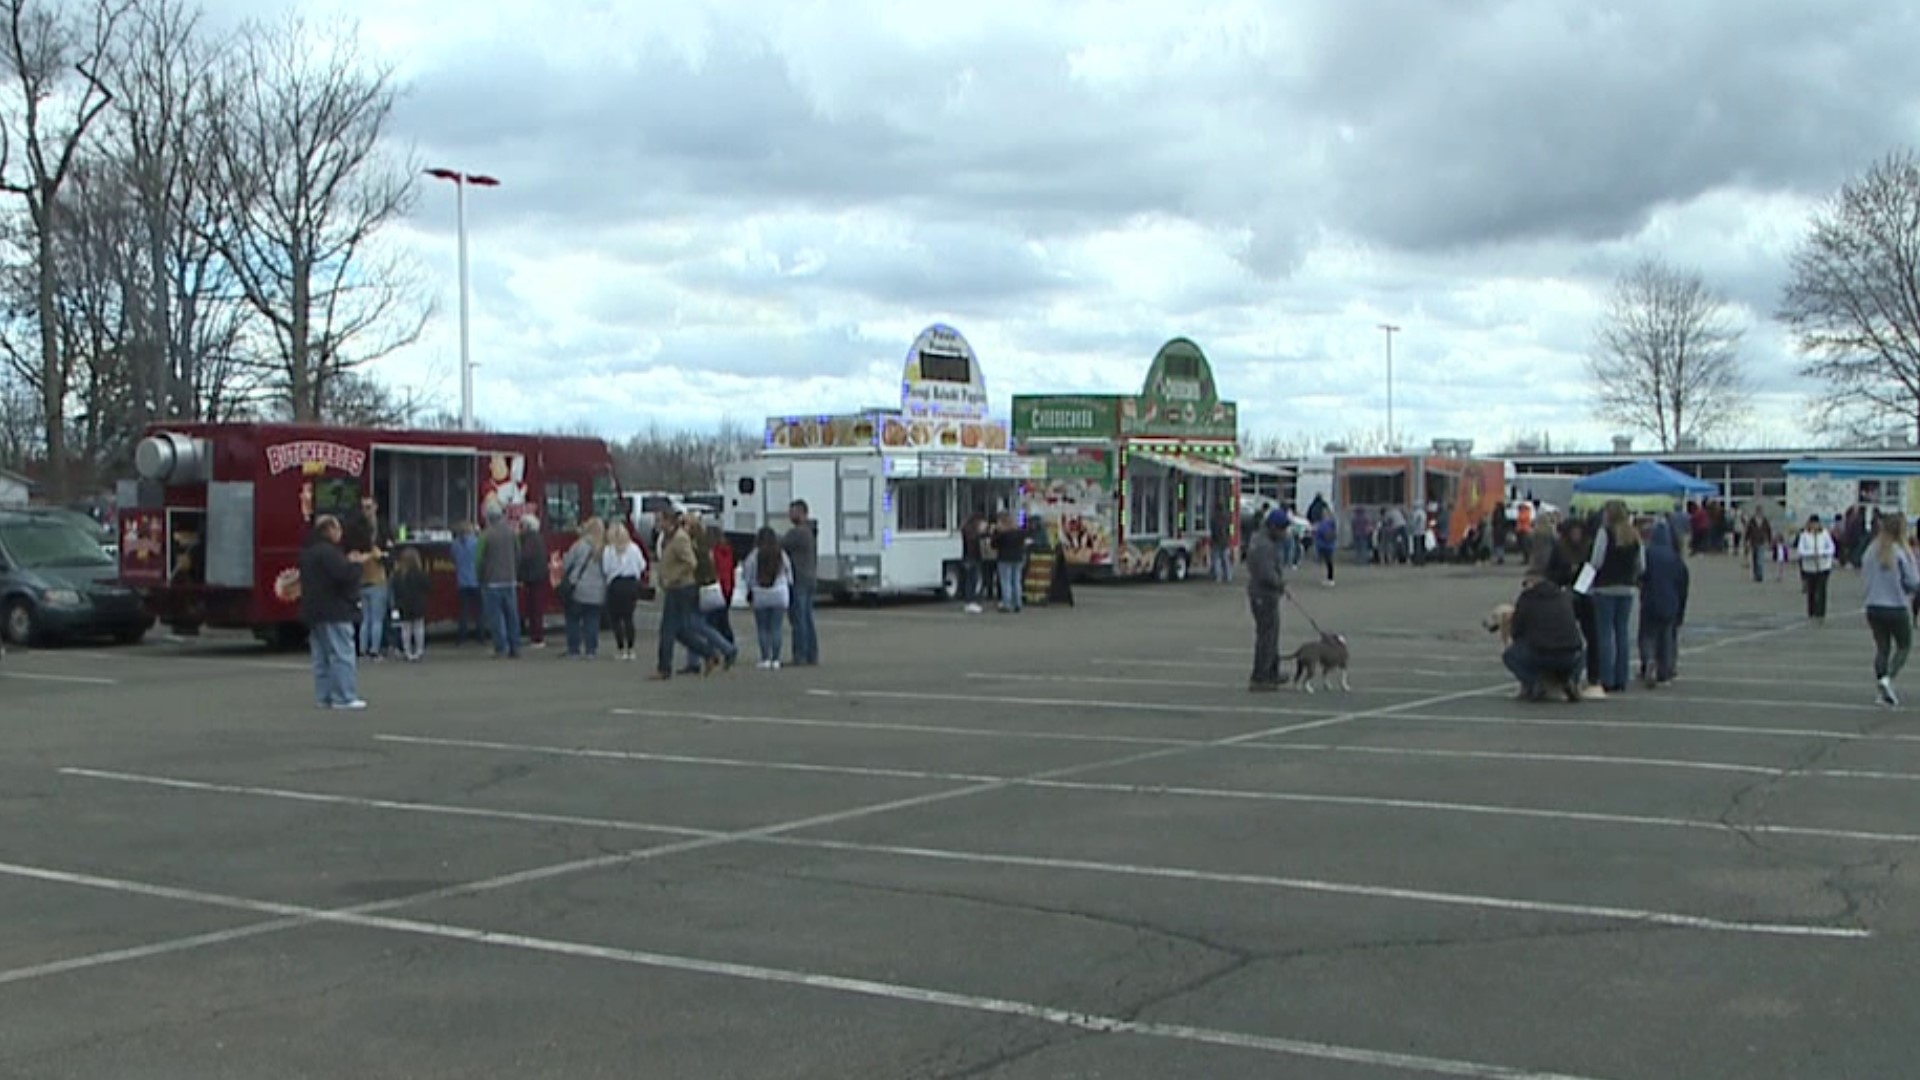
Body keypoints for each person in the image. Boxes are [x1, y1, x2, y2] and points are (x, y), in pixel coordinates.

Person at [651, 511, 729, 679]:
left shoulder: (680, 539)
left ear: (669, 521)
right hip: (675, 588)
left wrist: (674, 577)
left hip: (682, 588)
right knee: (681, 630)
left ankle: (664, 668)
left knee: (667, 629)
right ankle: (709, 654)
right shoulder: (668, 538)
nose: (657, 524)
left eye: (660, 520)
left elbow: (691, 562)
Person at [300, 515, 366, 709]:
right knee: (342, 654)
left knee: (321, 658)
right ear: (329, 530)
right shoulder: (329, 553)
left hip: (313, 611)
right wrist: (356, 564)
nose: (340, 533)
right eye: (337, 529)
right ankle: (344, 697)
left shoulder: (308, 552)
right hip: (335, 610)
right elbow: (344, 576)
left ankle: (325, 696)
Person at [1586, 500, 1645, 694]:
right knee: (1622, 633)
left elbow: (1596, 561)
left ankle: (1606, 677)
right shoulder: (1634, 535)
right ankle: (1622, 677)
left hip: (1605, 587)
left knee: (1604, 634)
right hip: (1627, 588)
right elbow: (1641, 565)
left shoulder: (1605, 533)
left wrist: (1583, 583)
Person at [1863, 512, 1920, 706]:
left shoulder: (1871, 550)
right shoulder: (1902, 551)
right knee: (1904, 645)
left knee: (1882, 648)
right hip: (1896, 605)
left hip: (1873, 605)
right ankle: (1887, 678)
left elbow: (1865, 574)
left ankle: (1882, 688)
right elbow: (1913, 581)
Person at [1505, 574, 1586, 702]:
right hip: (1570, 654)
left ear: (1531, 583)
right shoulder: (1564, 596)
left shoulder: (1527, 598)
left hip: (1540, 653)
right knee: (1580, 652)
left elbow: (1516, 631)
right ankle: (1571, 680)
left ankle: (1534, 683)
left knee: (1510, 655)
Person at [1637, 521, 1689, 688]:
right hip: (1671, 602)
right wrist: (1681, 611)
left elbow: (1640, 575)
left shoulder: (1648, 554)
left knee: (1647, 635)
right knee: (1667, 639)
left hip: (1650, 600)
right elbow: (1683, 585)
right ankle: (1665, 672)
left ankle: (1648, 660)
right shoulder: (1676, 559)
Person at [343, 495, 392, 660]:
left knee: (366, 619)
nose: (366, 511)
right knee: (375, 619)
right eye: (364, 507)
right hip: (375, 580)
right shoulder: (365, 537)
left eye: (369, 507)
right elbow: (383, 554)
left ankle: (363, 649)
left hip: (362, 581)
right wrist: (380, 555)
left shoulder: (377, 527)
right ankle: (373, 650)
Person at [1245, 509, 1288, 692]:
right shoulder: (1264, 545)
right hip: (1263, 594)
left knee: (1271, 634)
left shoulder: (1262, 540)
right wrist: (1279, 583)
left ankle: (1271, 671)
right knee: (1266, 636)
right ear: (1273, 527)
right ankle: (1260, 676)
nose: (1285, 534)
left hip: (1265, 593)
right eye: (1282, 529)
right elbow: (1265, 572)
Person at [741, 525, 792, 668]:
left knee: (762, 628)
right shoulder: (781, 554)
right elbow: (789, 573)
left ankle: (765, 658)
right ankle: (776, 659)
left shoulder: (753, 555)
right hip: (779, 593)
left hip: (761, 594)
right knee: (776, 627)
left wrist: (750, 589)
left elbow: (748, 575)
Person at [561, 516, 608, 659]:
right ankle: (591, 650)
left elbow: (567, 564)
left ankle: (574, 649)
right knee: (592, 620)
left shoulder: (579, 545)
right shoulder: (604, 548)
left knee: (573, 619)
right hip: (598, 590)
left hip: (579, 588)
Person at [478, 506, 521, 659]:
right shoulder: (512, 533)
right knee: (512, 616)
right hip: (510, 580)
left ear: (488, 518)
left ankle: (501, 648)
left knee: (497, 617)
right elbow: (518, 553)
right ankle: (515, 646)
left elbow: (479, 560)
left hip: (492, 582)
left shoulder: (485, 535)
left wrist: (480, 576)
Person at [782, 500, 820, 666]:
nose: (790, 515)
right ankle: (812, 654)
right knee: (807, 618)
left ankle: (800, 655)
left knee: (799, 619)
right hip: (810, 578)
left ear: (802, 513)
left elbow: (780, 544)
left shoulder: (797, 533)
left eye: (793, 512)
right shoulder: (810, 531)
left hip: (799, 580)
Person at [603, 522, 647, 661]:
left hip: (615, 585)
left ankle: (620, 648)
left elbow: (605, 569)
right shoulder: (634, 548)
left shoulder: (609, 550)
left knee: (616, 619)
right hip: (631, 584)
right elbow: (642, 565)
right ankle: (631, 649)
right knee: (629, 618)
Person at [389, 546, 431, 662]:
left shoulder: (398, 575)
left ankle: (407, 652)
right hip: (418, 604)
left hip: (403, 604)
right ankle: (419, 651)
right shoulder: (420, 573)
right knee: (418, 628)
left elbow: (395, 589)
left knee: (405, 629)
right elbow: (428, 587)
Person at [1796, 514, 1837, 625]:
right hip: (1809, 567)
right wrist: (1810, 554)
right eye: (1812, 523)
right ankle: (1812, 611)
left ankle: (1821, 612)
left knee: (1822, 589)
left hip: (1823, 566)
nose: (1814, 526)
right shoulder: (1804, 535)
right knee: (1812, 590)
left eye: (1816, 523)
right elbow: (1800, 551)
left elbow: (1831, 548)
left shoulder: (1824, 534)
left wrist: (1823, 553)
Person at [517, 516, 549, 649]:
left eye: (521, 526)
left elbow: (524, 556)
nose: (519, 529)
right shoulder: (537, 538)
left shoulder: (530, 539)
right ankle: (536, 636)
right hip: (538, 577)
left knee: (535, 609)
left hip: (534, 578)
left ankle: (537, 638)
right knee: (535, 609)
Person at [450, 520, 483, 645]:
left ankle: (462, 637)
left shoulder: (455, 544)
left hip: (462, 580)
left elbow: (453, 559)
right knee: (479, 611)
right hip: (476, 579)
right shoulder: (476, 542)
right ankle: (480, 636)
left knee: (463, 611)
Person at [992, 511, 1028, 612]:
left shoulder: (1002, 534)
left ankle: (1006, 604)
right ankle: (1018, 603)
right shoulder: (1020, 532)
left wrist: (995, 532)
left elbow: (993, 544)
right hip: (1018, 558)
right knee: (1016, 581)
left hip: (1005, 558)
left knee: (1006, 582)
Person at [960, 511, 987, 614]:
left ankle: (969, 601)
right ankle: (971, 601)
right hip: (973, 558)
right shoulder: (973, 533)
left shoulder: (966, 530)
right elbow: (974, 546)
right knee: (973, 580)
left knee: (970, 580)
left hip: (967, 557)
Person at [1744, 508, 1773, 583]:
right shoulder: (1752, 521)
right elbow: (1748, 531)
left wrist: (1769, 541)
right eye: (1758, 512)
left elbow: (1768, 531)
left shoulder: (1765, 521)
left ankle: (1760, 575)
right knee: (1755, 559)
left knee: (1760, 559)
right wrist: (1746, 540)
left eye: (1760, 512)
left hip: (1761, 541)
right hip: (1753, 541)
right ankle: (1755, 574)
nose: (1759, 513)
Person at [1312, 512, 1338, 587]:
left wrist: (1316, 532)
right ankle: (1329, 578)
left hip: (1324, 546)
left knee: (1328, 562)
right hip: (1330, 546)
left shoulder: (1323, 525)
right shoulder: (1332, 524)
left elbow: (1325, 534)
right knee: (1329, 562)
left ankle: (1330, 579)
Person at [1209, 504, 1233, 582]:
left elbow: (1213, 531)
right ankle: (1228, 576)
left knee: (1216, 560)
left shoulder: (1214, 519)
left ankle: (1218, 577)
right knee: (1226, 559)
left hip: (1216, 541)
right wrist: (1229, 539)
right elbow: (1229, 529)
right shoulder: (1227, 518)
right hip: (1225, 541)